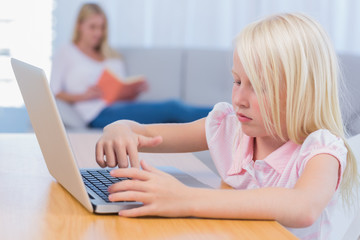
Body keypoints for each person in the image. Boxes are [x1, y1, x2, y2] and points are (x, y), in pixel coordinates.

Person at [95, 13, 359, 239]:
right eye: (237, 81)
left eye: (260, 86)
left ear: (305, 92)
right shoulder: (231, 129)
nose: (239, 99)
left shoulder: (320, 150)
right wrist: (119, 128)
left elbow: (303, 207)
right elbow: (147, 134)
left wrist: (186, 199)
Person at [50, 3, 211, 128]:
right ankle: (225, 115)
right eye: (93, 27)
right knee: (173, 107)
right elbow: (54, 91)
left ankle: (224, 117)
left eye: (102, 27)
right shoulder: (67, 52)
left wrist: (132, 90)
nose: (98, 33)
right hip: (97, 113)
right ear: (79, 25)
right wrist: (83, 97)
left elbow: (118, 90)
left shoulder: (111, 55)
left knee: (173, 113)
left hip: (120, 106)